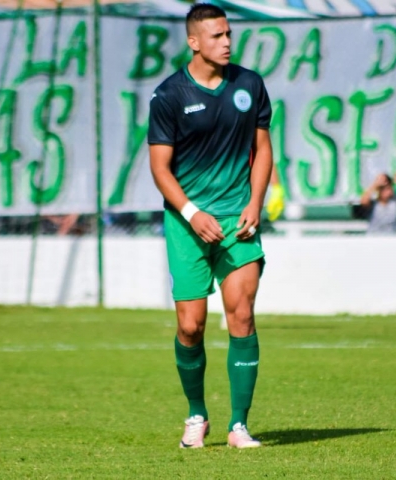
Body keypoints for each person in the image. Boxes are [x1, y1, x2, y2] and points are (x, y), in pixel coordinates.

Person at [147, 3, 273, 450]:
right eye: (217, 36)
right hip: (188, 225)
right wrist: (191, 214)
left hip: (238, 221)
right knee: (190, 327)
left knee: (242, 312)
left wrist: (256, 203)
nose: (227, 42)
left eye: (228, 34)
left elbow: (263, 149)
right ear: (193, 41)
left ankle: (239, 425)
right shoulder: (169, 96)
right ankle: (196, 414)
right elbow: (160, 168)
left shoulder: (250, 85)